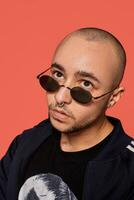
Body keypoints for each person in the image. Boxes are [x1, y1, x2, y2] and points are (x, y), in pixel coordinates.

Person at [0, 27, 134, 200]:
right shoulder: (25, 144)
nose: (60, 97)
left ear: (113, 98)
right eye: (57, 74)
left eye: (85, 84)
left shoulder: (128, 172)